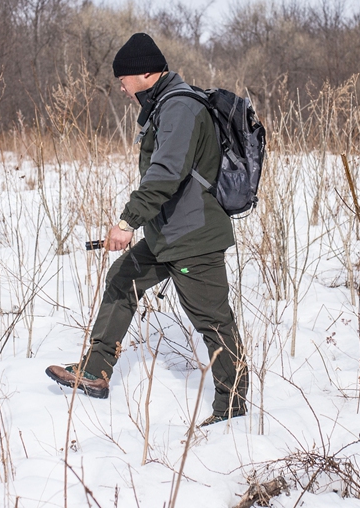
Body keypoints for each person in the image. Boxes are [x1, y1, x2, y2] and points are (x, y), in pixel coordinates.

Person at [46, 33, 248, 427]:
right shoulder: (164, 106)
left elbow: (166, 172)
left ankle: (233, 408)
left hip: (193, 239)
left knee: (213, 321)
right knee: (123, 278)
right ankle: (96, 370)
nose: (120, 86)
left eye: (123, 79)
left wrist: (127, 222)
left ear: (146, 73)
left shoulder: (179, 108)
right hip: (168, 235)